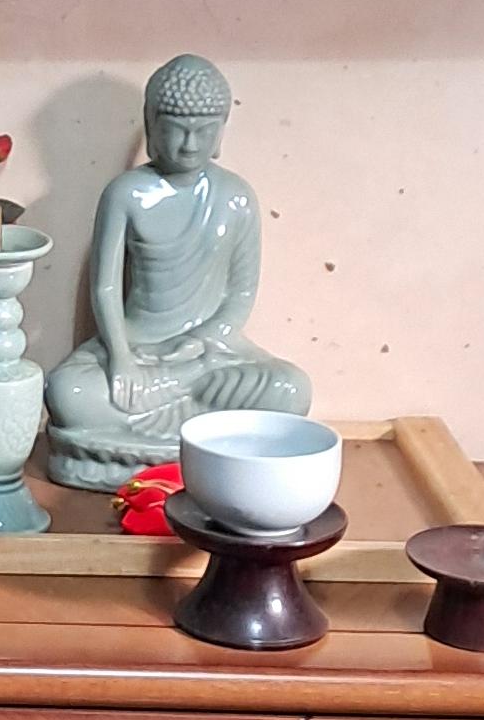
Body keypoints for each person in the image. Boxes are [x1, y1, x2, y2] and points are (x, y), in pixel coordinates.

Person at [43, 54, 310, 488]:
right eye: (176, 129)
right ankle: (212, 448)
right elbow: (105, 289)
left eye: (203, 131)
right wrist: (122, 360)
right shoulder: (127, 193)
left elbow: (240, 295)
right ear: (152, 126)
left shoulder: (236, 197)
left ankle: (156, 437)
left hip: (211, 354)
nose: (189, 144)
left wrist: (201, 344)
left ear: (221, 132)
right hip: (137, 348)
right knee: (69, 393)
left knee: (290, 389)